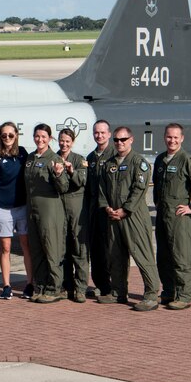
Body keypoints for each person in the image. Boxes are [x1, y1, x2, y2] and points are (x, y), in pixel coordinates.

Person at [97, 126, 159, 311]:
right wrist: (107, 207)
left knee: (142, 254)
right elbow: (102, 189)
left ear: (131, 140)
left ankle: (151, 294)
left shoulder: (138, 162)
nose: (119, 143)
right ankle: (118, 292)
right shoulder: (109, 164)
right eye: (116, 140)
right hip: (113, 217)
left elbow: (139, 190)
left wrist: (125, 210)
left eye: (123, 139)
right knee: (116, 255)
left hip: (133, 217)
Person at [154, 123, 191, 310]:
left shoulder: (187, 160)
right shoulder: (160, 160)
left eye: (175, 137)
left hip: (179, 217)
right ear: (164, 137)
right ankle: (168, 291)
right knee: (163, 257)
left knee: (181, 257)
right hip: (163, 215)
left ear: (182, 138)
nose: (172, 140)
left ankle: (184, 296)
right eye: (169, 137)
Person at [25, 123, 70, 304]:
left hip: (50, 212)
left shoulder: (55, 159)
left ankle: (54, 288)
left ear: (50, 138)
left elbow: (64, 187)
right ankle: (41, 286)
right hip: (33, 211)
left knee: (52, 249)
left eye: (44, 136)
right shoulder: (30, 158)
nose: (40, 139)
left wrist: (59, 174)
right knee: (37, 250)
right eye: (37, 136)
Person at [0, 122, 29, 300]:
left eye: (11, 135)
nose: (7, 138)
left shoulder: (23, 154)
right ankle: (6, 285)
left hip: (22, 205)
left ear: (16, 135)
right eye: (4, 135)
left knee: (26, 245)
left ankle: (30, 283)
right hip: (3, 207)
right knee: (5, 247)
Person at [57, 127, 89, 302]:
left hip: (76, 209)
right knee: (63, 249)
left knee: (79, 248)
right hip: (59, 208)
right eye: (62, 140)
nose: (64, 144)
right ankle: (65, 285)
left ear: (72, 142)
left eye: (67, 141)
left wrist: (71, 171)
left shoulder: (79, 160)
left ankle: (81, 287)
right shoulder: (54, 158)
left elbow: (82, 180)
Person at [86, 120, 113, 299]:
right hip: (94, 211)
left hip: (110, 210)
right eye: (96, 133)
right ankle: (101, 285)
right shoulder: (91, 158)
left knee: (111, 250)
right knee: (96, 250)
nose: (99, 136)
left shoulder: (115, 155)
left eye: (102, 133)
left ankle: (113, 287)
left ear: (109, 134)